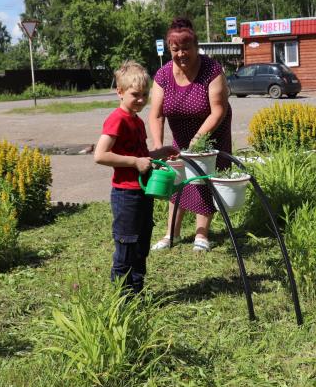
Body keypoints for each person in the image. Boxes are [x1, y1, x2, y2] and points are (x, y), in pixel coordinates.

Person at [94, 61, 179, 294]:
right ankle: (122, 301)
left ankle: (136, 294)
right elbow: (100, 155)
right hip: (126, 195)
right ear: (119, 92)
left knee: (141, 245)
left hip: (142, 193)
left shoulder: (137, 121)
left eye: (144, 95)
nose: (141, 100)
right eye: (135, 95)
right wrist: (135, 162)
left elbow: (140, 156)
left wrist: (158, 153)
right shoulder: (117, 119)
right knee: (127, 247)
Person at [148, 17, 232, 252]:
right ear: (169, 50)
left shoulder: (211, 70)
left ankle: (202, 234)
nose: (181, 54)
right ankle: (170, 234)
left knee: (202, 176)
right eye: (175, 50)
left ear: (196, 47)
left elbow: (219, 110)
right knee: (178, 177)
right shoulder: (163, 75)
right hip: (181, 131)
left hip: (211, 130)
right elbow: (156, 115)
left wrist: (197, 142)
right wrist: (158, 147)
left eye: (186, 49)